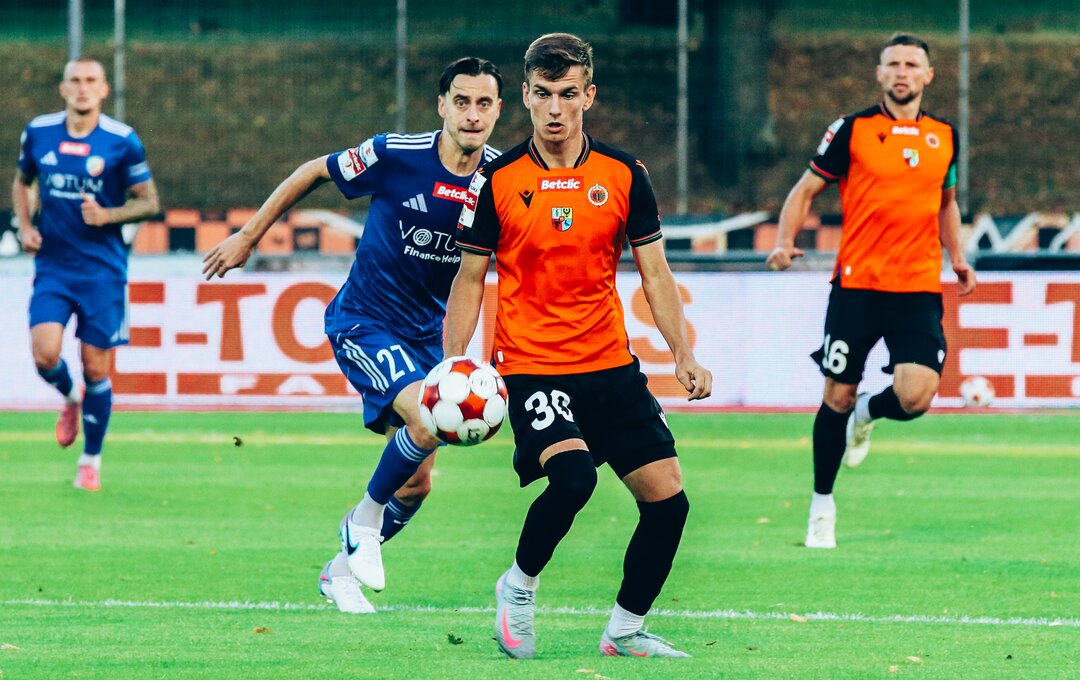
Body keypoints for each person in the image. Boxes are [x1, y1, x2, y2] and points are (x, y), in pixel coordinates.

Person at [202, 57, 503, 613]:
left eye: (483, 103)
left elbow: (477, 274)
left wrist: (460, 358)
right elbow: (313, 171)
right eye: (461, 101)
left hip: (426, 337)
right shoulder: (396, 154)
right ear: (442, 105)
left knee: (417, 485)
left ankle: (339, 572)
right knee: (425, 421)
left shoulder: (500, 180)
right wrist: (248, 235)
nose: (472, 114)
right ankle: (361, 523)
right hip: (364, 321)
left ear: (498, 110)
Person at [445, 33, 712, 660]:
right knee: (572, 479)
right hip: (532, 366)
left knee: (668, 502)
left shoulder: (624, 174)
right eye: (543, 94)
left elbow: (655, 274)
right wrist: (454, 363)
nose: (555, 108)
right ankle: (517, 587)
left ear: (589, 96)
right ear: (525, 97)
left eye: (568, 94)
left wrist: (683, 352)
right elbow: (469, 278)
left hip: (610, 365)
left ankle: (624, 631)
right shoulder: (498, 180)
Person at [767, 34, 976, 549]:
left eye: (912, 64)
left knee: (916, 395)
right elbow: (806, 188)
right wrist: (784, 241)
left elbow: (946, 202)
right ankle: (821, 506)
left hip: (917, 287)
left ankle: (868, 413)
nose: (902, 72)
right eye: (893, 64)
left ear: (928, 75)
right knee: (835, 394)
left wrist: (958, 256)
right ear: (880, 73)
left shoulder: (944, 136)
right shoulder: (852, 130)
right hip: (857, 286)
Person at [13, 58, 160, 492]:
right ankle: (70, 397)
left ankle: (90, 460)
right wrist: (25, 226)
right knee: (44, 355)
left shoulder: (121, 140)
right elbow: (22, 181)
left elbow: (149, 201)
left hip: (103, 272)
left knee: (96, 368)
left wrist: (108, 215)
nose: (82, 88)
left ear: (104, 89)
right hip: (54, 266)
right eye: (75, 80)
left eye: (91, 80)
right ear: (63, 88)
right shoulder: (38, 132)